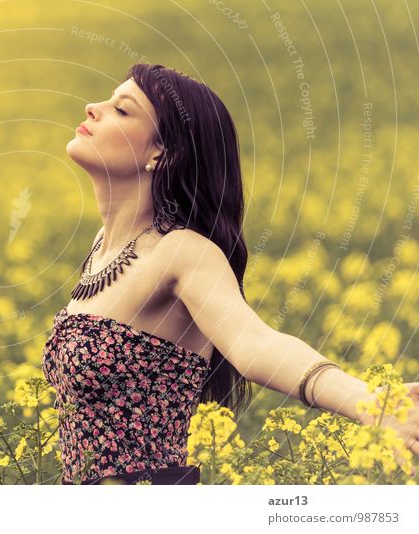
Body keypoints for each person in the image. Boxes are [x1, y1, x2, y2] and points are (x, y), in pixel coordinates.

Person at [41, 63, 419, 485]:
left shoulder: (182, 251)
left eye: (122, 110)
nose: (93, 108)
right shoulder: (101, 248)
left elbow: (256, 344)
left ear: (161, 153)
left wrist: (369, 402)